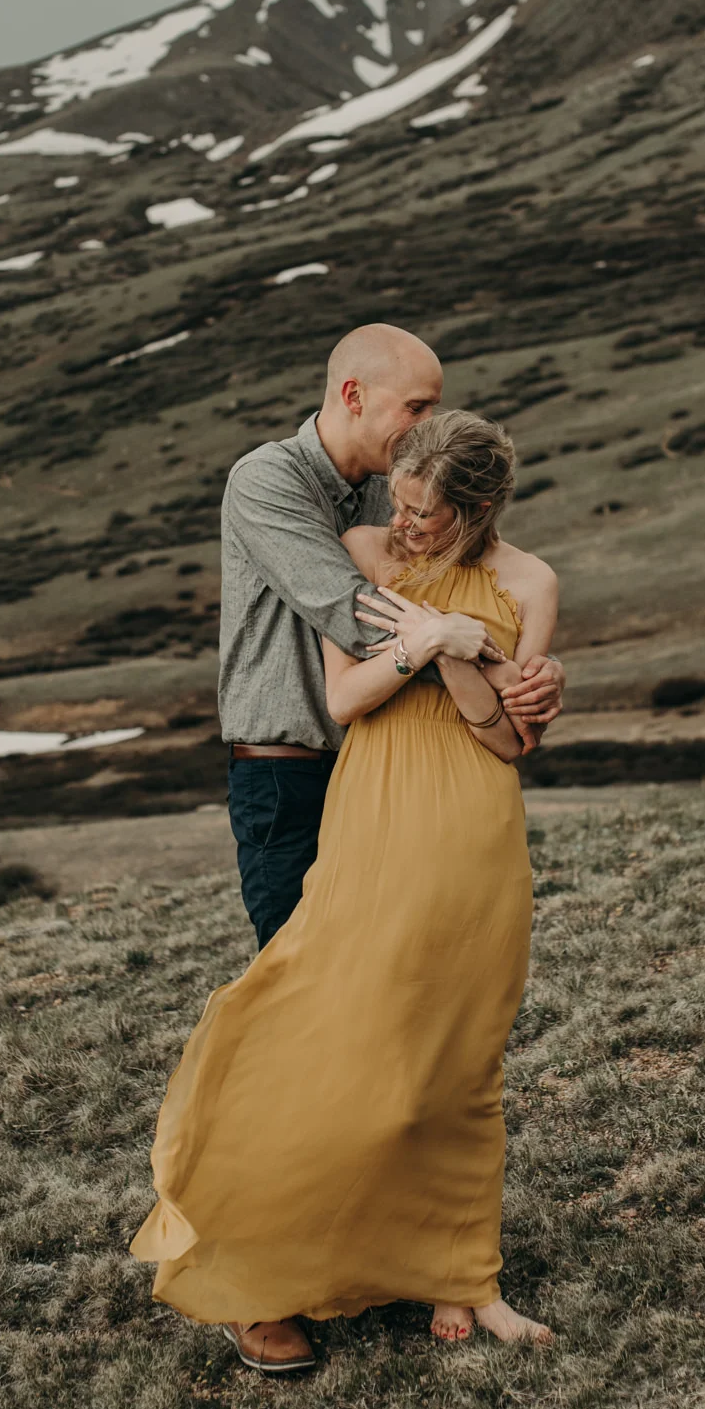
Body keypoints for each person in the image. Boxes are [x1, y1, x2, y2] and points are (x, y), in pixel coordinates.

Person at [132, 408, 558, 1370]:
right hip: (376, 810)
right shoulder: (364, 552)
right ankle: (269, 1247)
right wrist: (428, 641)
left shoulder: (532, 583)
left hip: (476, 824)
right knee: (347, 1034)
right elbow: (345, 696)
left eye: (423, 514)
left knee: (463, 1050)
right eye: (398, 504)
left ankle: (464, 1274)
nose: (400, 524)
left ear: (475, 509)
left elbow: (509, 737)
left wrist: (460, 651)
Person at [217, 322, 563, 950]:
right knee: (296, 961)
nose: (428, 422)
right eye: (416, 406)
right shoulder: (267, 480)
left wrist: (538, 668)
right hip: (287, 770)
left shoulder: (397, 488)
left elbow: (463, 592)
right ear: (354, 395)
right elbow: (359, 617)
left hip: (381, 768)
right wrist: (497, 671)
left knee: (385, 962)